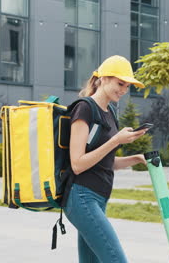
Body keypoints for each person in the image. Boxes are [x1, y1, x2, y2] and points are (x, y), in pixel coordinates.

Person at [64, 55, 148, 262]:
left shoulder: (109, 112)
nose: (124, 90)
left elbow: (105, 162)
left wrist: (136, 158)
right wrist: (116, 141)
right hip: (81, 197)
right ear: (103, 79)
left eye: (127, 86)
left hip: (98, 199)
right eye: (120, 83)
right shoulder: (84, 108)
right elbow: (77, 164)